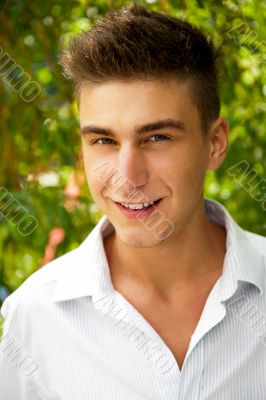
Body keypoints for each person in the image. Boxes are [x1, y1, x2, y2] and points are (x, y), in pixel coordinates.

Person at [1, 3, 266, 399]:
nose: (128, 175)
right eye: (104, 141)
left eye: (157, 137)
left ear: (215, 144)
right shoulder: (33, 319)